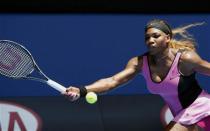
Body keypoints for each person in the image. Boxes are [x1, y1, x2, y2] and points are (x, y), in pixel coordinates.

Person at [64, 19, 210, 131]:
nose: (150, 40)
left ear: (167, 38)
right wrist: (82, 90)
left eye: (156, 36)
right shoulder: (139, 63)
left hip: (203, 108)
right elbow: (113, 81)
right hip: (184, 115)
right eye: (147, 37)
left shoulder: (186, 59)